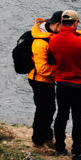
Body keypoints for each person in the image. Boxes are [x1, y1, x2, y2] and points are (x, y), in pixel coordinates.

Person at [45, 10, 81, 160]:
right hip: (79, 85)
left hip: (61, 83)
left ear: (61, 23)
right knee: (77, 119)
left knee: (61, 116)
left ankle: (60, 148)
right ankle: (76, 153)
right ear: (75, 23)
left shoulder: (53, 40)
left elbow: (53, 57)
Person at [28, 11, 63, 149]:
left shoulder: (50, 33)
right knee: (43, 110)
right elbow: (42, 68)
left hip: (45, 79)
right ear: (58, 25)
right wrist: (59, 72)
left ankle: (47, 138)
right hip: (39, 79)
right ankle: (38, 141)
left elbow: (72, 32)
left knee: (49, 109)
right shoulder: (40, 42)